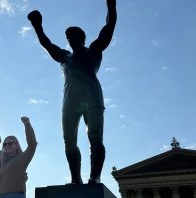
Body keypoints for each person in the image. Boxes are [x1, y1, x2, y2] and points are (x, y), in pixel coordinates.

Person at [27, 0, 117, 185]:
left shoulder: (93, 50)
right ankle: (76, 178)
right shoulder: (64, 57)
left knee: (95, 137)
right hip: (70, 101)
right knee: (69, 141)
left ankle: (95, 177)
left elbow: (109, 26)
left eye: (74, 36)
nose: (70, 39)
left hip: (92, 97)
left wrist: (111, 7)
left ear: (83, 38)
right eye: (68, 37)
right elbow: (47, 43)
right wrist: (37, 25)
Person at [0, 116, 37, 198]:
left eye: (10, 143)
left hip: (15, 195)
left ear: (16, 145)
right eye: (5, 144)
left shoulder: (22, 158)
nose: (7, 145)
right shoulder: (3, 164)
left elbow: (32, 144)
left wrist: (27, 124)